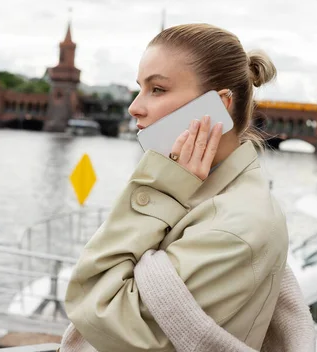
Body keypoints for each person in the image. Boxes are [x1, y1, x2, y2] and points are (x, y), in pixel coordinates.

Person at [60, 23, 290, 351]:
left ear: (218, 106)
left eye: (157, 90)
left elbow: (98, 313)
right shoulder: (206, 195)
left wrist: (159, 187)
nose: (134, 107)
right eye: (140, 88)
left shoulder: (236, 227)